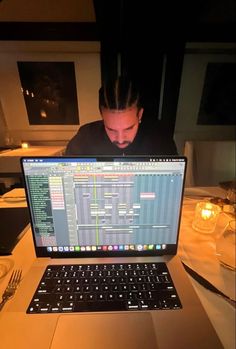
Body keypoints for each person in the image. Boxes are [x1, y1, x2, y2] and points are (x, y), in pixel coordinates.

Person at [65, 76, 178, 155]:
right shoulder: (84, 139)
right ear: (102, 115)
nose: (120, 140)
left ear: (140, 115)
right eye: (111, 129)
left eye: (128, 128)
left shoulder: (160, 139)